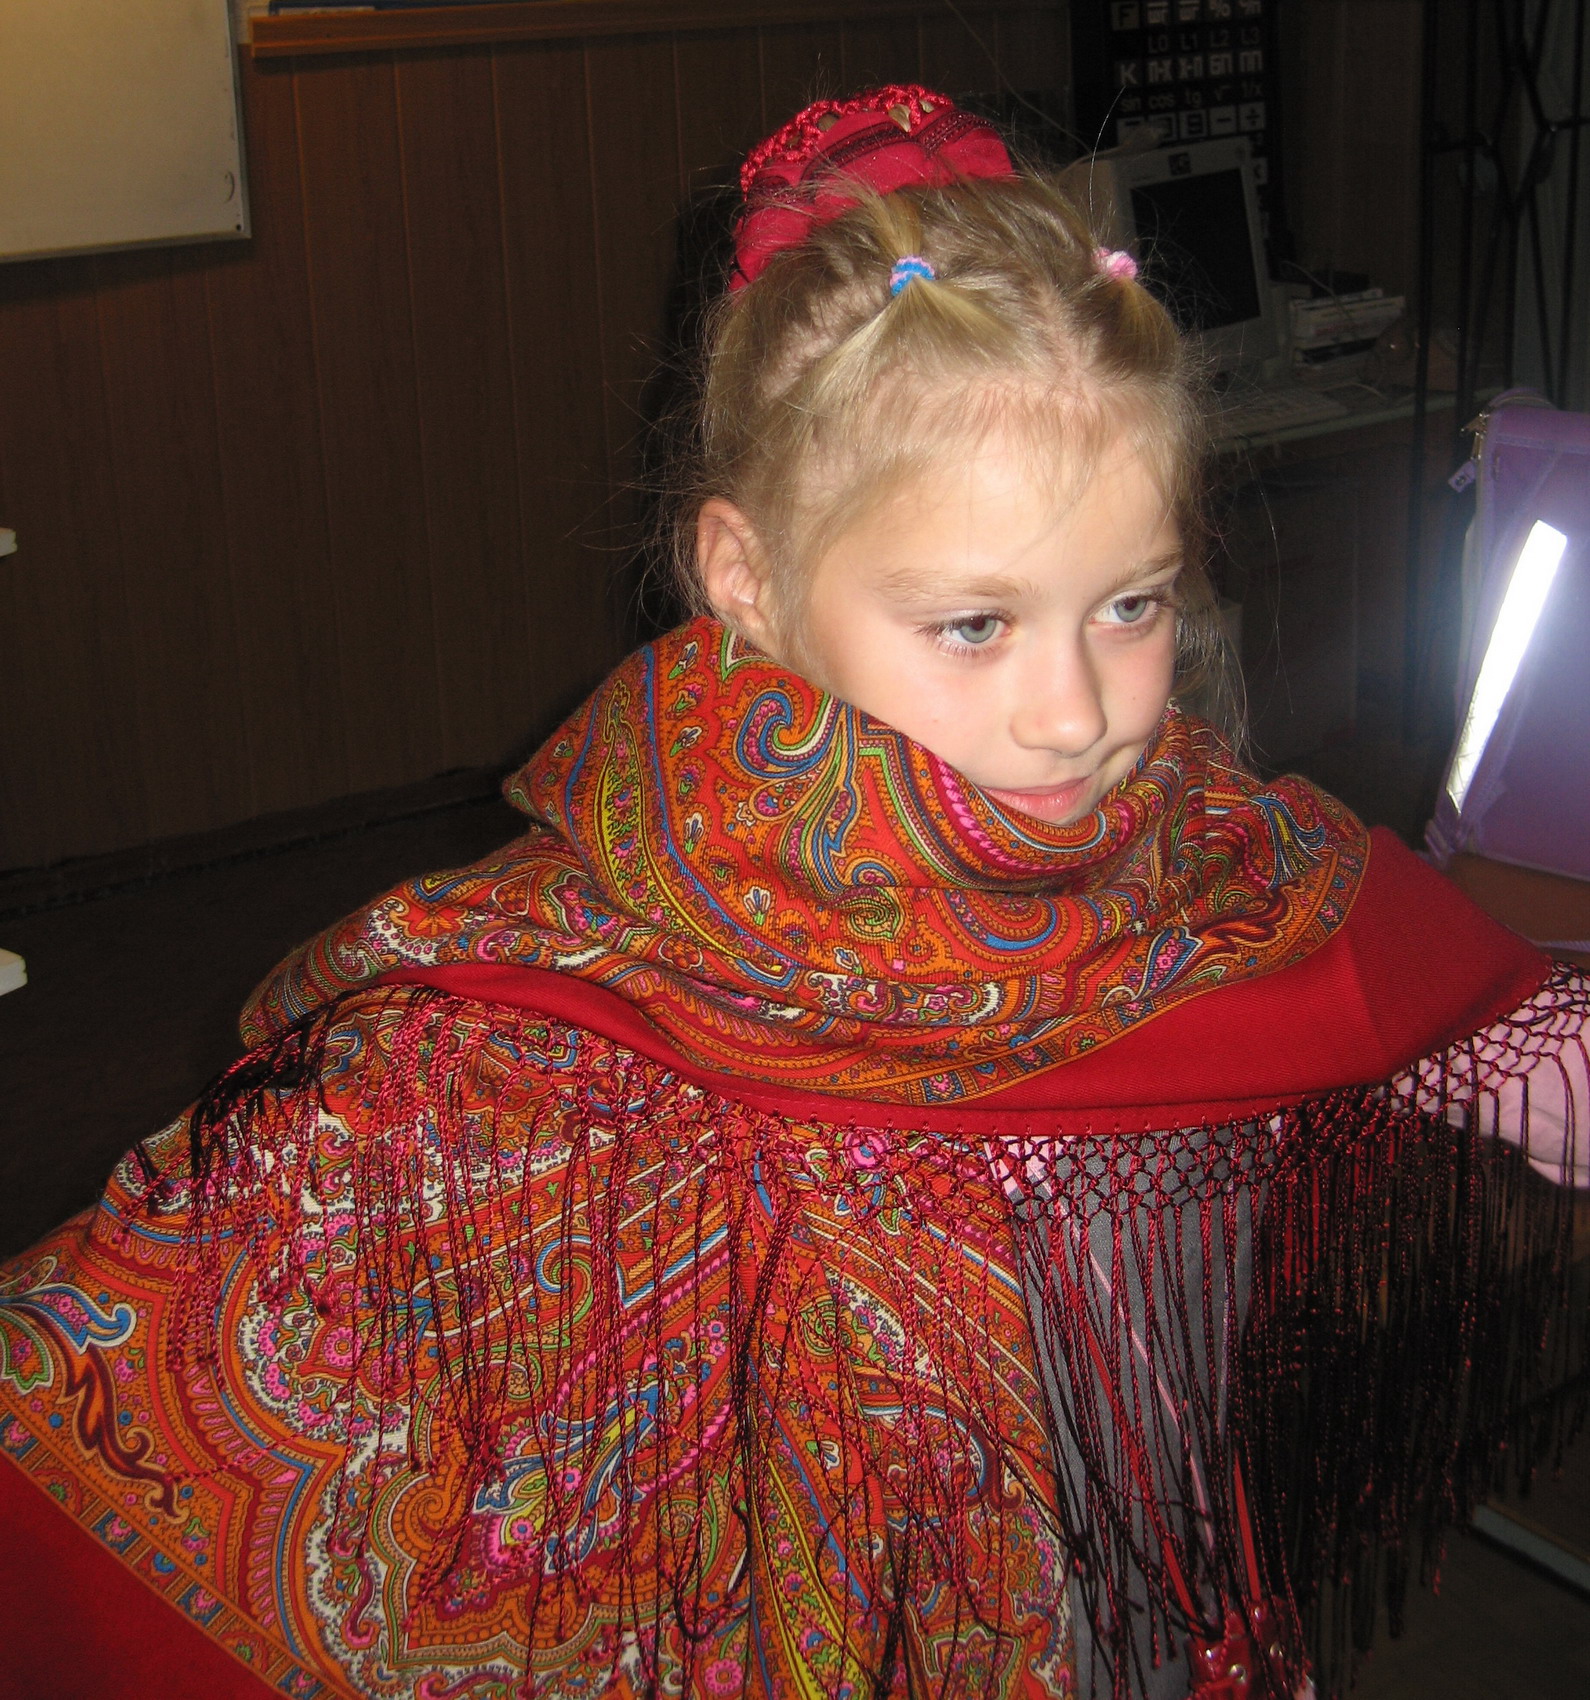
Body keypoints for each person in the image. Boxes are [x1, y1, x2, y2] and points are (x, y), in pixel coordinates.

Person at [1, 87, 1586, 1700]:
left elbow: (1406, 973)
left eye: (1128, 605)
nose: (1075, 715)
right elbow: (140, 1377)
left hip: (1132, 1574)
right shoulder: (543, 1003)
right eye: (972, 625)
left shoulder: (1215, 852)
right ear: (746, 579)